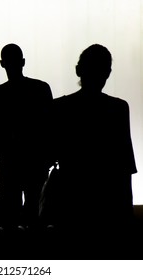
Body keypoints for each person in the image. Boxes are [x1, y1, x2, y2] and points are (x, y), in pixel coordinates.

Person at [51, 44, 137, 254]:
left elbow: (50, 154)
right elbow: (124, 167)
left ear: (79, 70)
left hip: (72, 202)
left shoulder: (60, 108)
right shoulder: (118, 109)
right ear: (107, 73)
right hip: (108, 203)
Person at [0, 43, 53, 233]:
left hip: (10, 162)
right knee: (35, 214)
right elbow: (50, 126)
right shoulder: (41, 89)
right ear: (23, 62)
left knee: (9, 216)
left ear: (2, 64)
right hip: (35, 161)